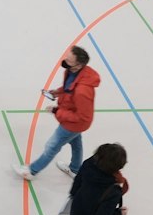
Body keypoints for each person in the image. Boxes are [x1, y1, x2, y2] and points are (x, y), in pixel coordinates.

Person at [14, 45, 100, 180]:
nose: (65, 61)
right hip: (72, 119)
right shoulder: (72, 72)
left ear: (78, 65)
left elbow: (82, 117)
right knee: (76, 143)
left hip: (74, 124)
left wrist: (57, 111)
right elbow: (69, 87)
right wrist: (57, 92)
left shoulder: (83, 92)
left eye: (69, 60)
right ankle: (75, 169)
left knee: (52, 146)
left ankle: (31, 171)